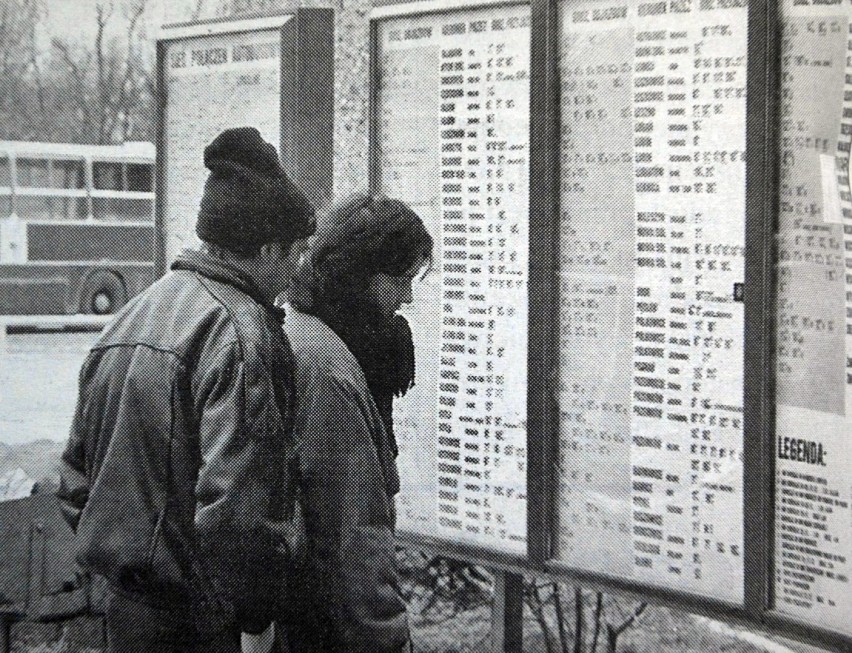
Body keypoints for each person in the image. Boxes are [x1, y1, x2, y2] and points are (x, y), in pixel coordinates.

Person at [56, 127, 316, 653]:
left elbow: (74, 482)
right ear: (267, 250)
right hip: (198, 625)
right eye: (296, 252)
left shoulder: (130, 317)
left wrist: (130, 564)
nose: (297, 271)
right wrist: (255, 617)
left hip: (124, 615)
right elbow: (238, 509)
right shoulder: (243, 335)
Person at [277, 192, 433, 653]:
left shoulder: (308, 331)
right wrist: (383, 637)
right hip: (326, 627)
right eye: (400, 279)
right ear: (361, 275)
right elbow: (350, 533)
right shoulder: (329, 370)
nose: (406, 297)